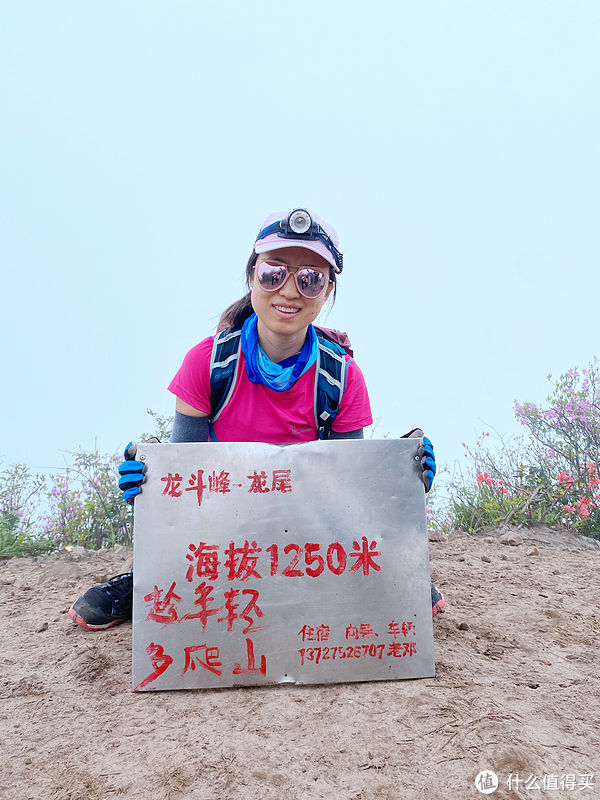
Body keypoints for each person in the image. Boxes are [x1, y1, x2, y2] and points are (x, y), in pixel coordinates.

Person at [69, 208, 445, 631]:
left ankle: (375, 578)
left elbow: (348, 490)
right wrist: (152, 486)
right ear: (251, 278)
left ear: (327, 292)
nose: (289, 290)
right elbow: (189, 474)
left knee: (388, 575)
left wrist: (399, 479)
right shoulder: (206, 364)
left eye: (310, 278)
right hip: (221, 532)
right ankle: (149, 582)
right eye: (273, 273)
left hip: (308, 534)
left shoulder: (342, 378)